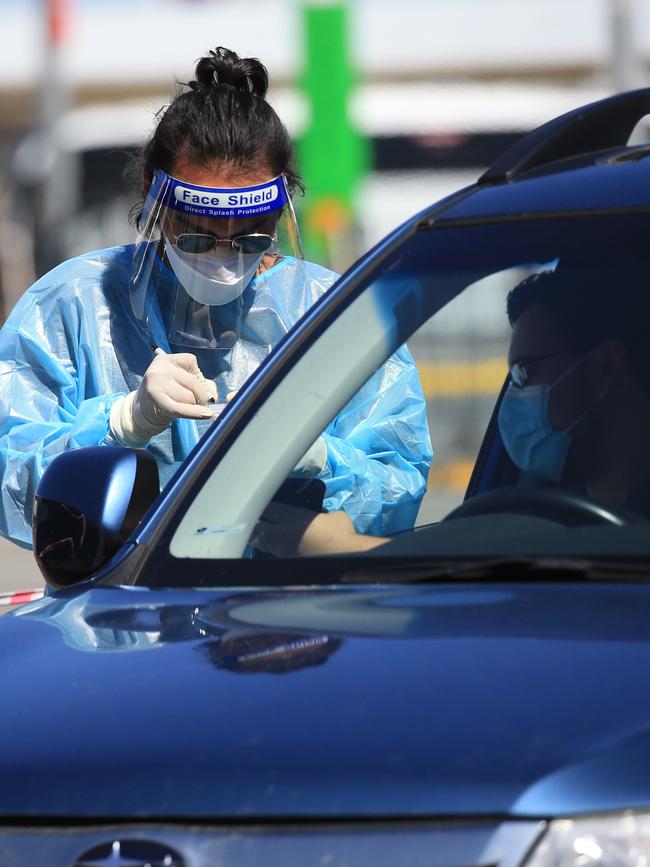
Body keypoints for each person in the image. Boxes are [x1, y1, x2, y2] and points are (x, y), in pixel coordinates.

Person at [0, 46, 431, 549]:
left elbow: (397, 492)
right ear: (154, 193)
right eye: (198, 236)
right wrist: (122, 423)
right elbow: (12, 476)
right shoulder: (74, 303)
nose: (224, 256)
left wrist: (317, 458)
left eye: (251, 237)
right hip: (123, 614)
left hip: (291, 614)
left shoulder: (335, 316)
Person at [255, 259, 650, 555]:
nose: (513, 398)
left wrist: (349, 549)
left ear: (604, 365)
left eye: (525, 374)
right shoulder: (537, 514)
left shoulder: (613, 540)